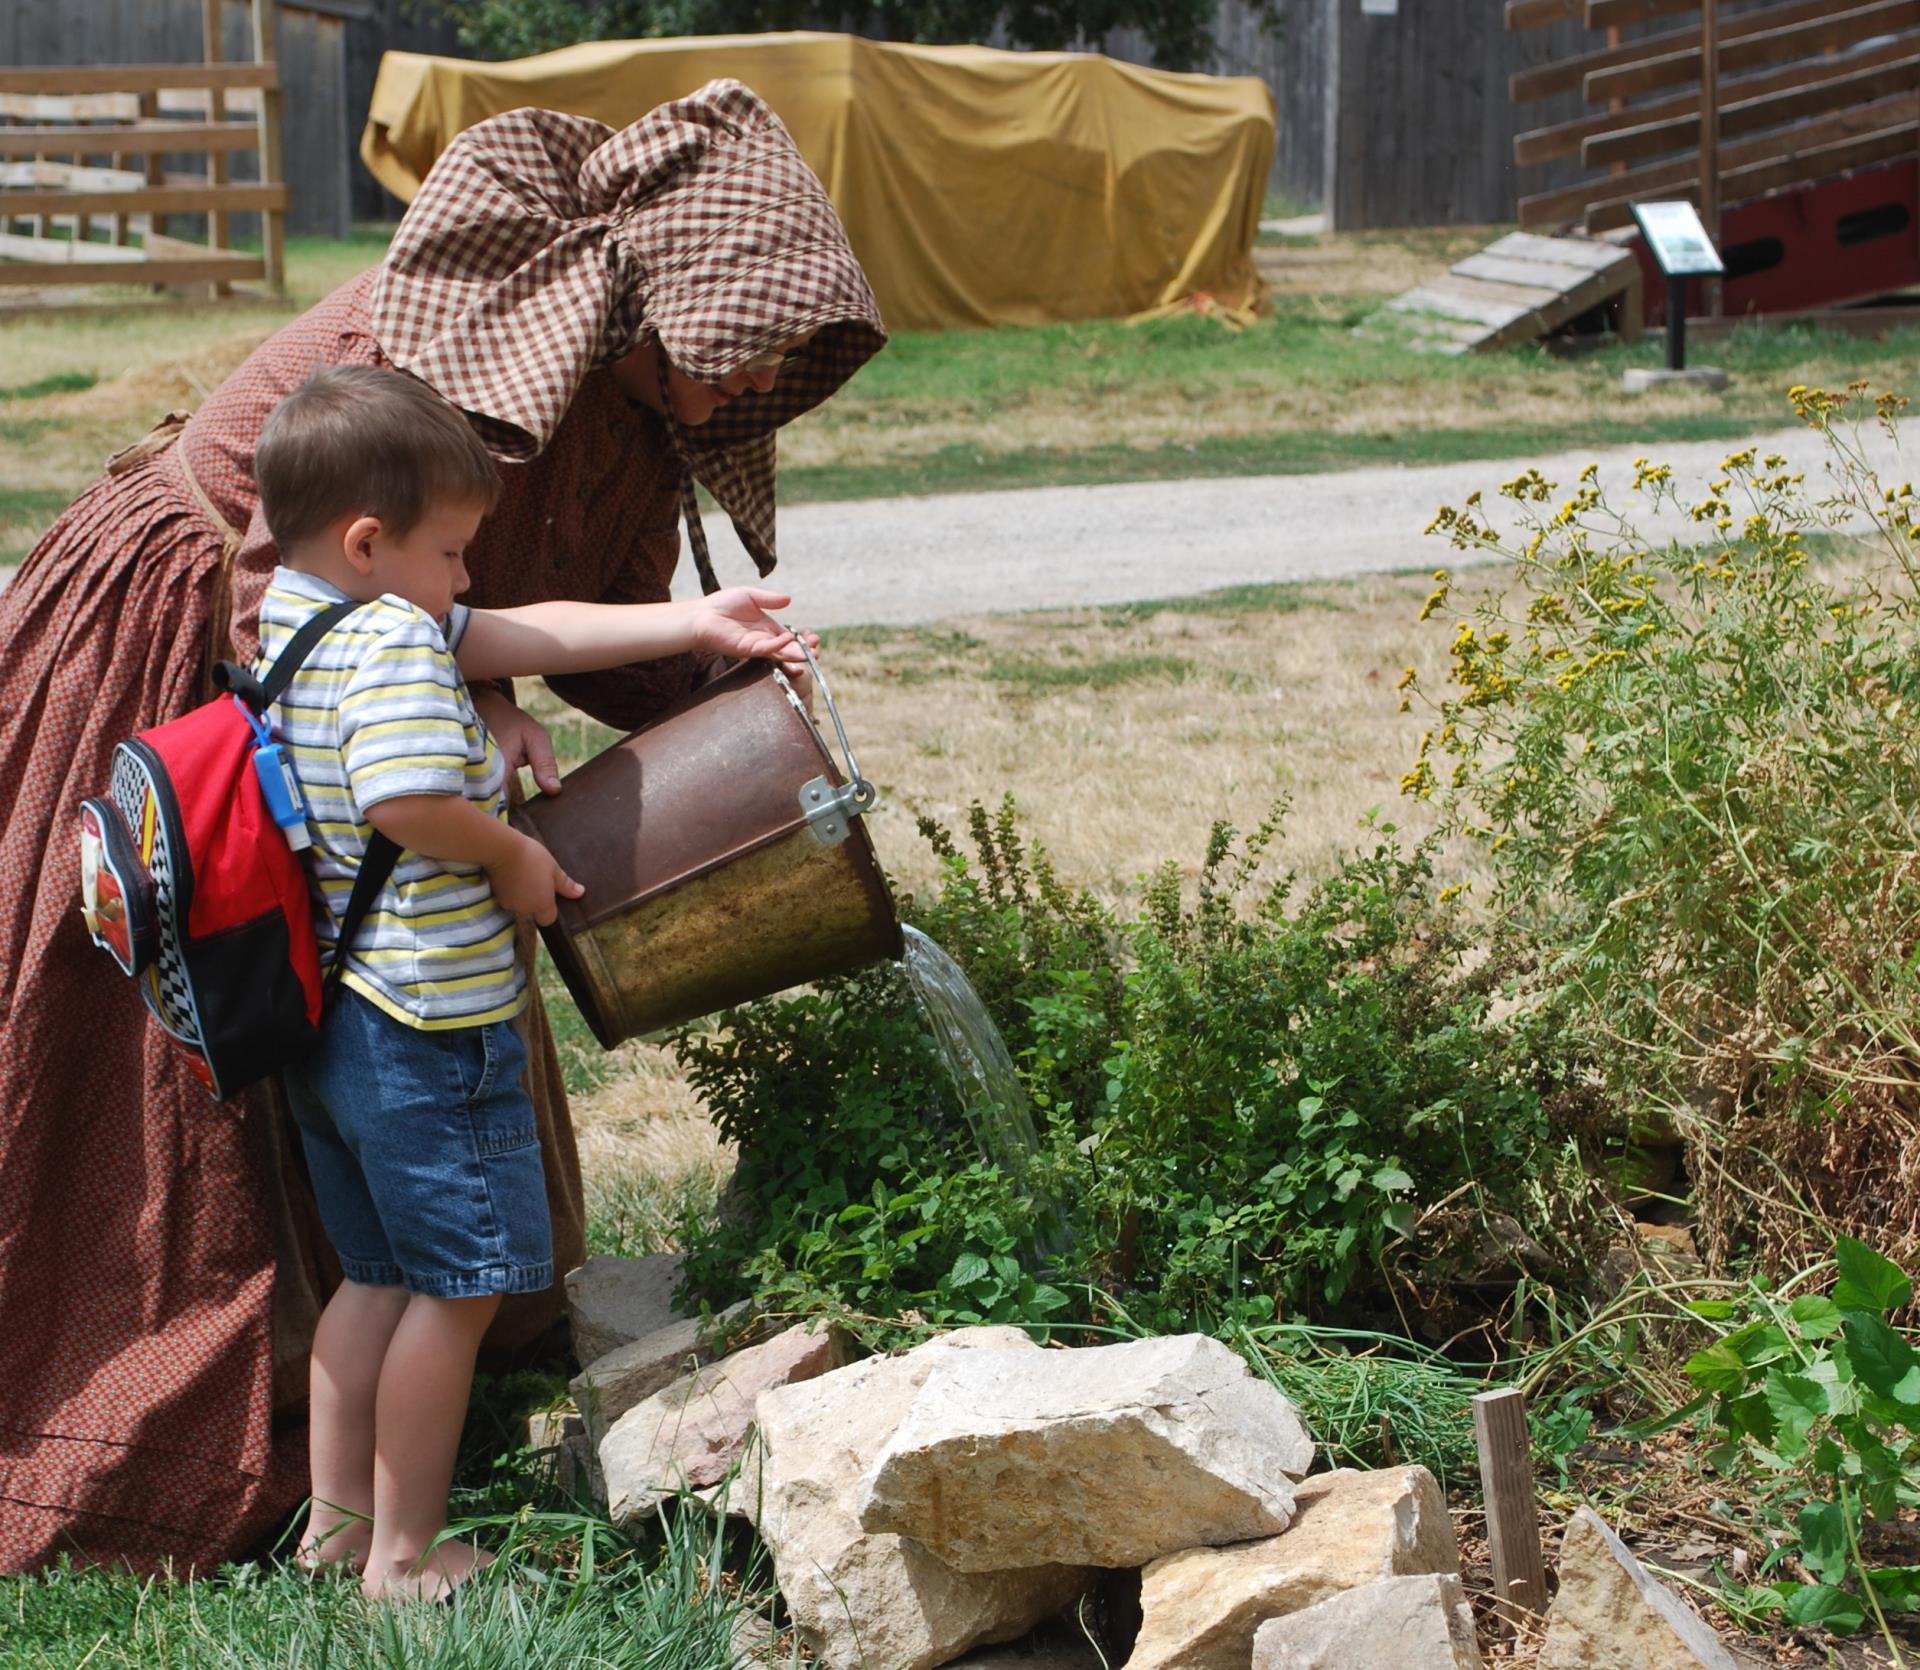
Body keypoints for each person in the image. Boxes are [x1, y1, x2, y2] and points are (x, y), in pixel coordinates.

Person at [0, 79, 885, 1574]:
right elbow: (331, 616)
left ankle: (391, 1435)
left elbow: (529, 600)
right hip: (201, 663)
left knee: (374, 1062)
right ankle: (200, 1453)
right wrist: (473, 722)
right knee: (200, 1061)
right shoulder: (445, 354)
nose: (750, 390)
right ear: (655, 301)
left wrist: (715, 666)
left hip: (380, 759)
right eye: (739, 358)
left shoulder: (620, 396)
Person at [252, 365, 811, 1598]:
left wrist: (694, 619)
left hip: (337, 1026)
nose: (465, 583)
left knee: (375, 1280)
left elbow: (526, 631)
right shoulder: (393, 634)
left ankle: (335, 1525)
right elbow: (407, 799)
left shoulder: (302, 614)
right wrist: (511, 851)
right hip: (429, 1027)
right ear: (368, 541)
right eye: (454, 551)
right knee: (456, 1294)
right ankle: (404, 1556)